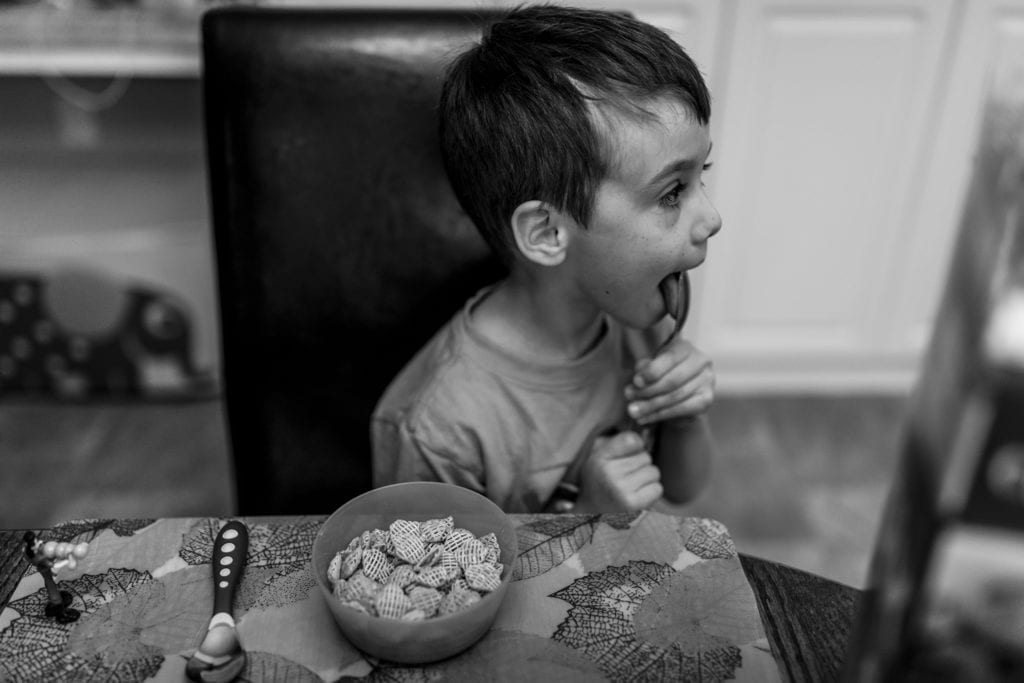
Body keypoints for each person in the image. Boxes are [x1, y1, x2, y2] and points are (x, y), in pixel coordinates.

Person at [372, 3, 721, 514]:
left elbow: (684, 488)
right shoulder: (436, 429)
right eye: (672, 192)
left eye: (702, 178)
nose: (711, 218)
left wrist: (685, 414)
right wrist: (587, 518)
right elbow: (444, 590)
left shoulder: (640, 317)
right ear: (547, 232)